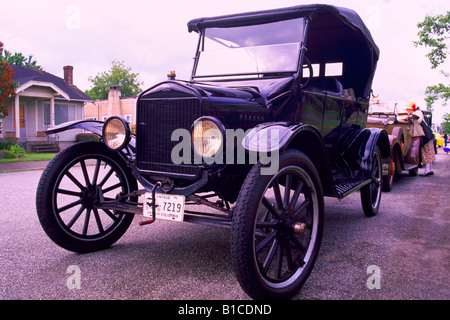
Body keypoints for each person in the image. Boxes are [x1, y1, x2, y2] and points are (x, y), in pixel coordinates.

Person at [406, 101, 436, 176]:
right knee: (427, 152)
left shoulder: (418, 113)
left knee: (427, 152)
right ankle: (429, 170)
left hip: (425, 135)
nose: (407, 110)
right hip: (423, 135)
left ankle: (428, 170)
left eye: (408, 109)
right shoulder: (413, 114)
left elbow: (418, 120)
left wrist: (410, 116)